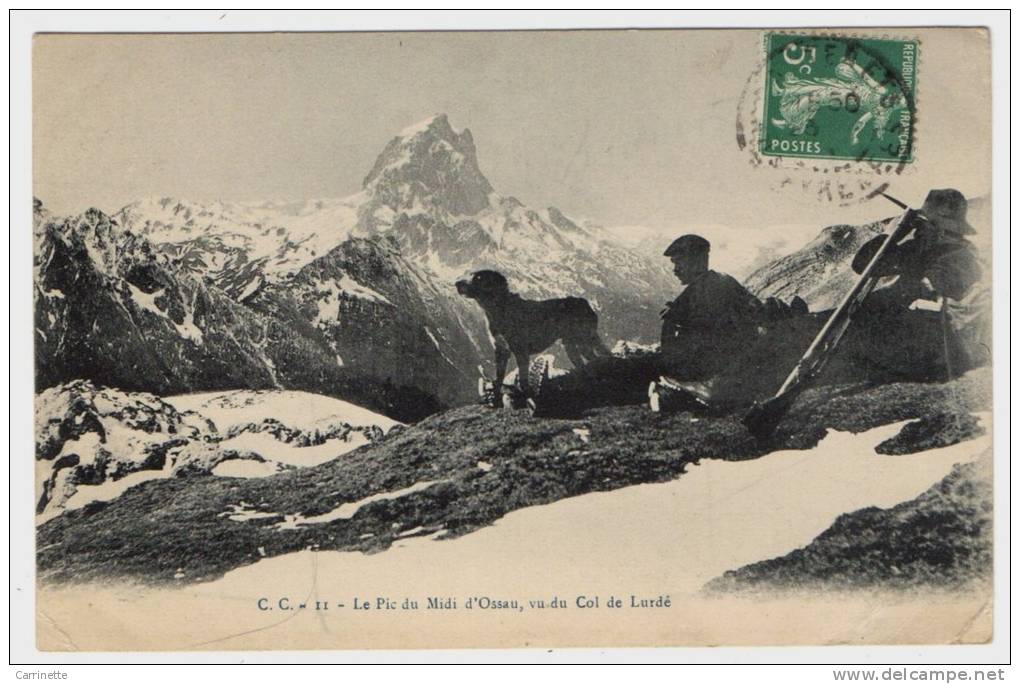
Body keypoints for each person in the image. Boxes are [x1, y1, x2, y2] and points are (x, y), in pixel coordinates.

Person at [528, 234, 767, 417]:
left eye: (679, 262)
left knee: (610, 370)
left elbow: (708, 339)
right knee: (613, 372)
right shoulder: (717, 284)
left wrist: (664, 359)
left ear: (697, 259)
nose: (675, 269)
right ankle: (550, 396)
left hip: (689, 369)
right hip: (687, 365)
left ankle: (550, 395)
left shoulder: (708, 290)